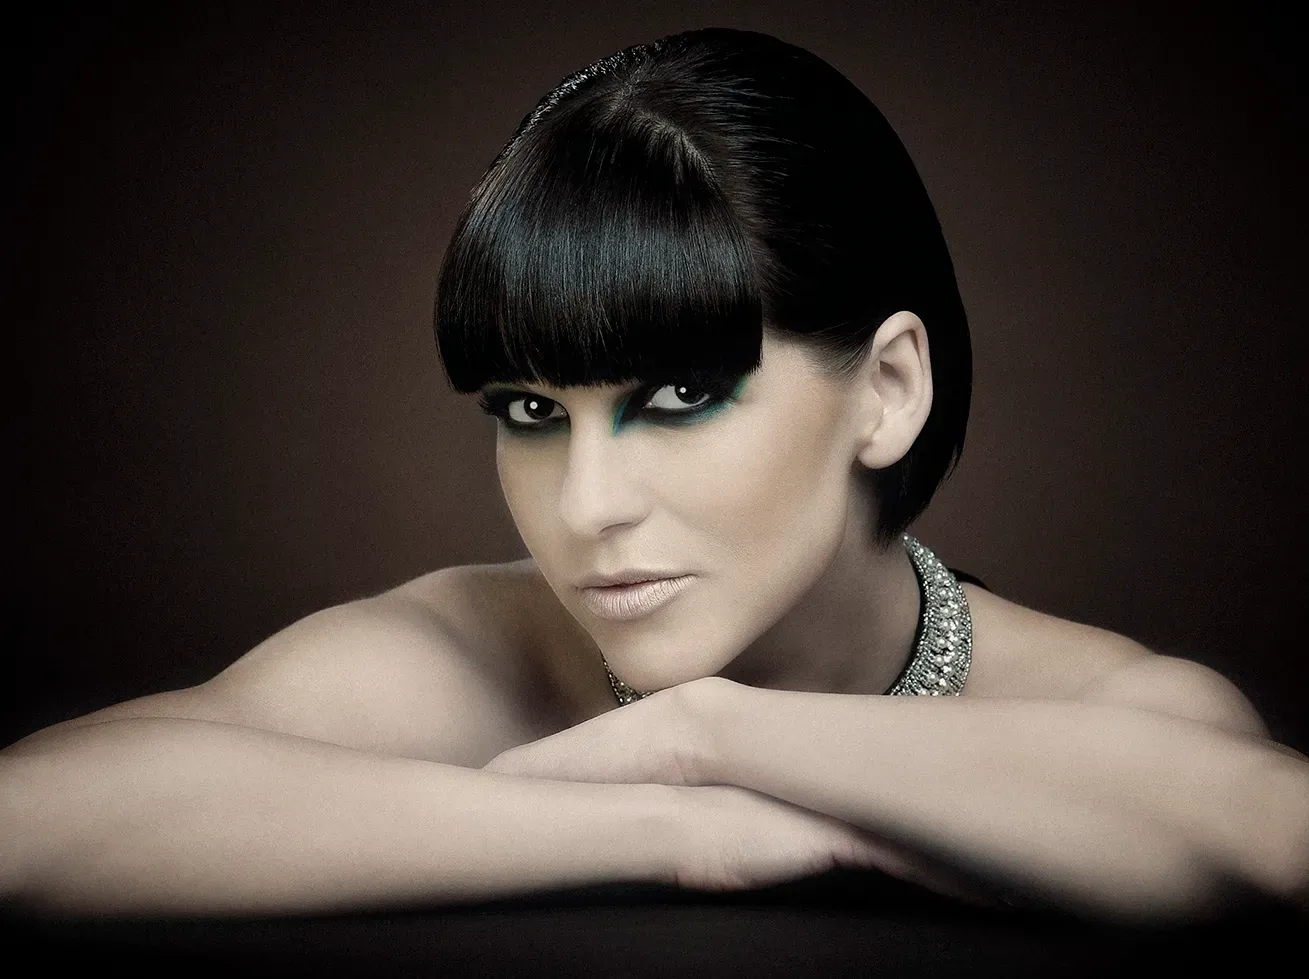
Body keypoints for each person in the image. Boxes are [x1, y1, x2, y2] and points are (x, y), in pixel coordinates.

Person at [3, 27, 1306, 923]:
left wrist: (715, 733)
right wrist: (691, 824)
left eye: (680, 396)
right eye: (529, 408)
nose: (584, 509)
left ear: (887, 391)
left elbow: (1260, 839)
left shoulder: (1111, 700)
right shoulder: (465, 655)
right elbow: (31, 825)